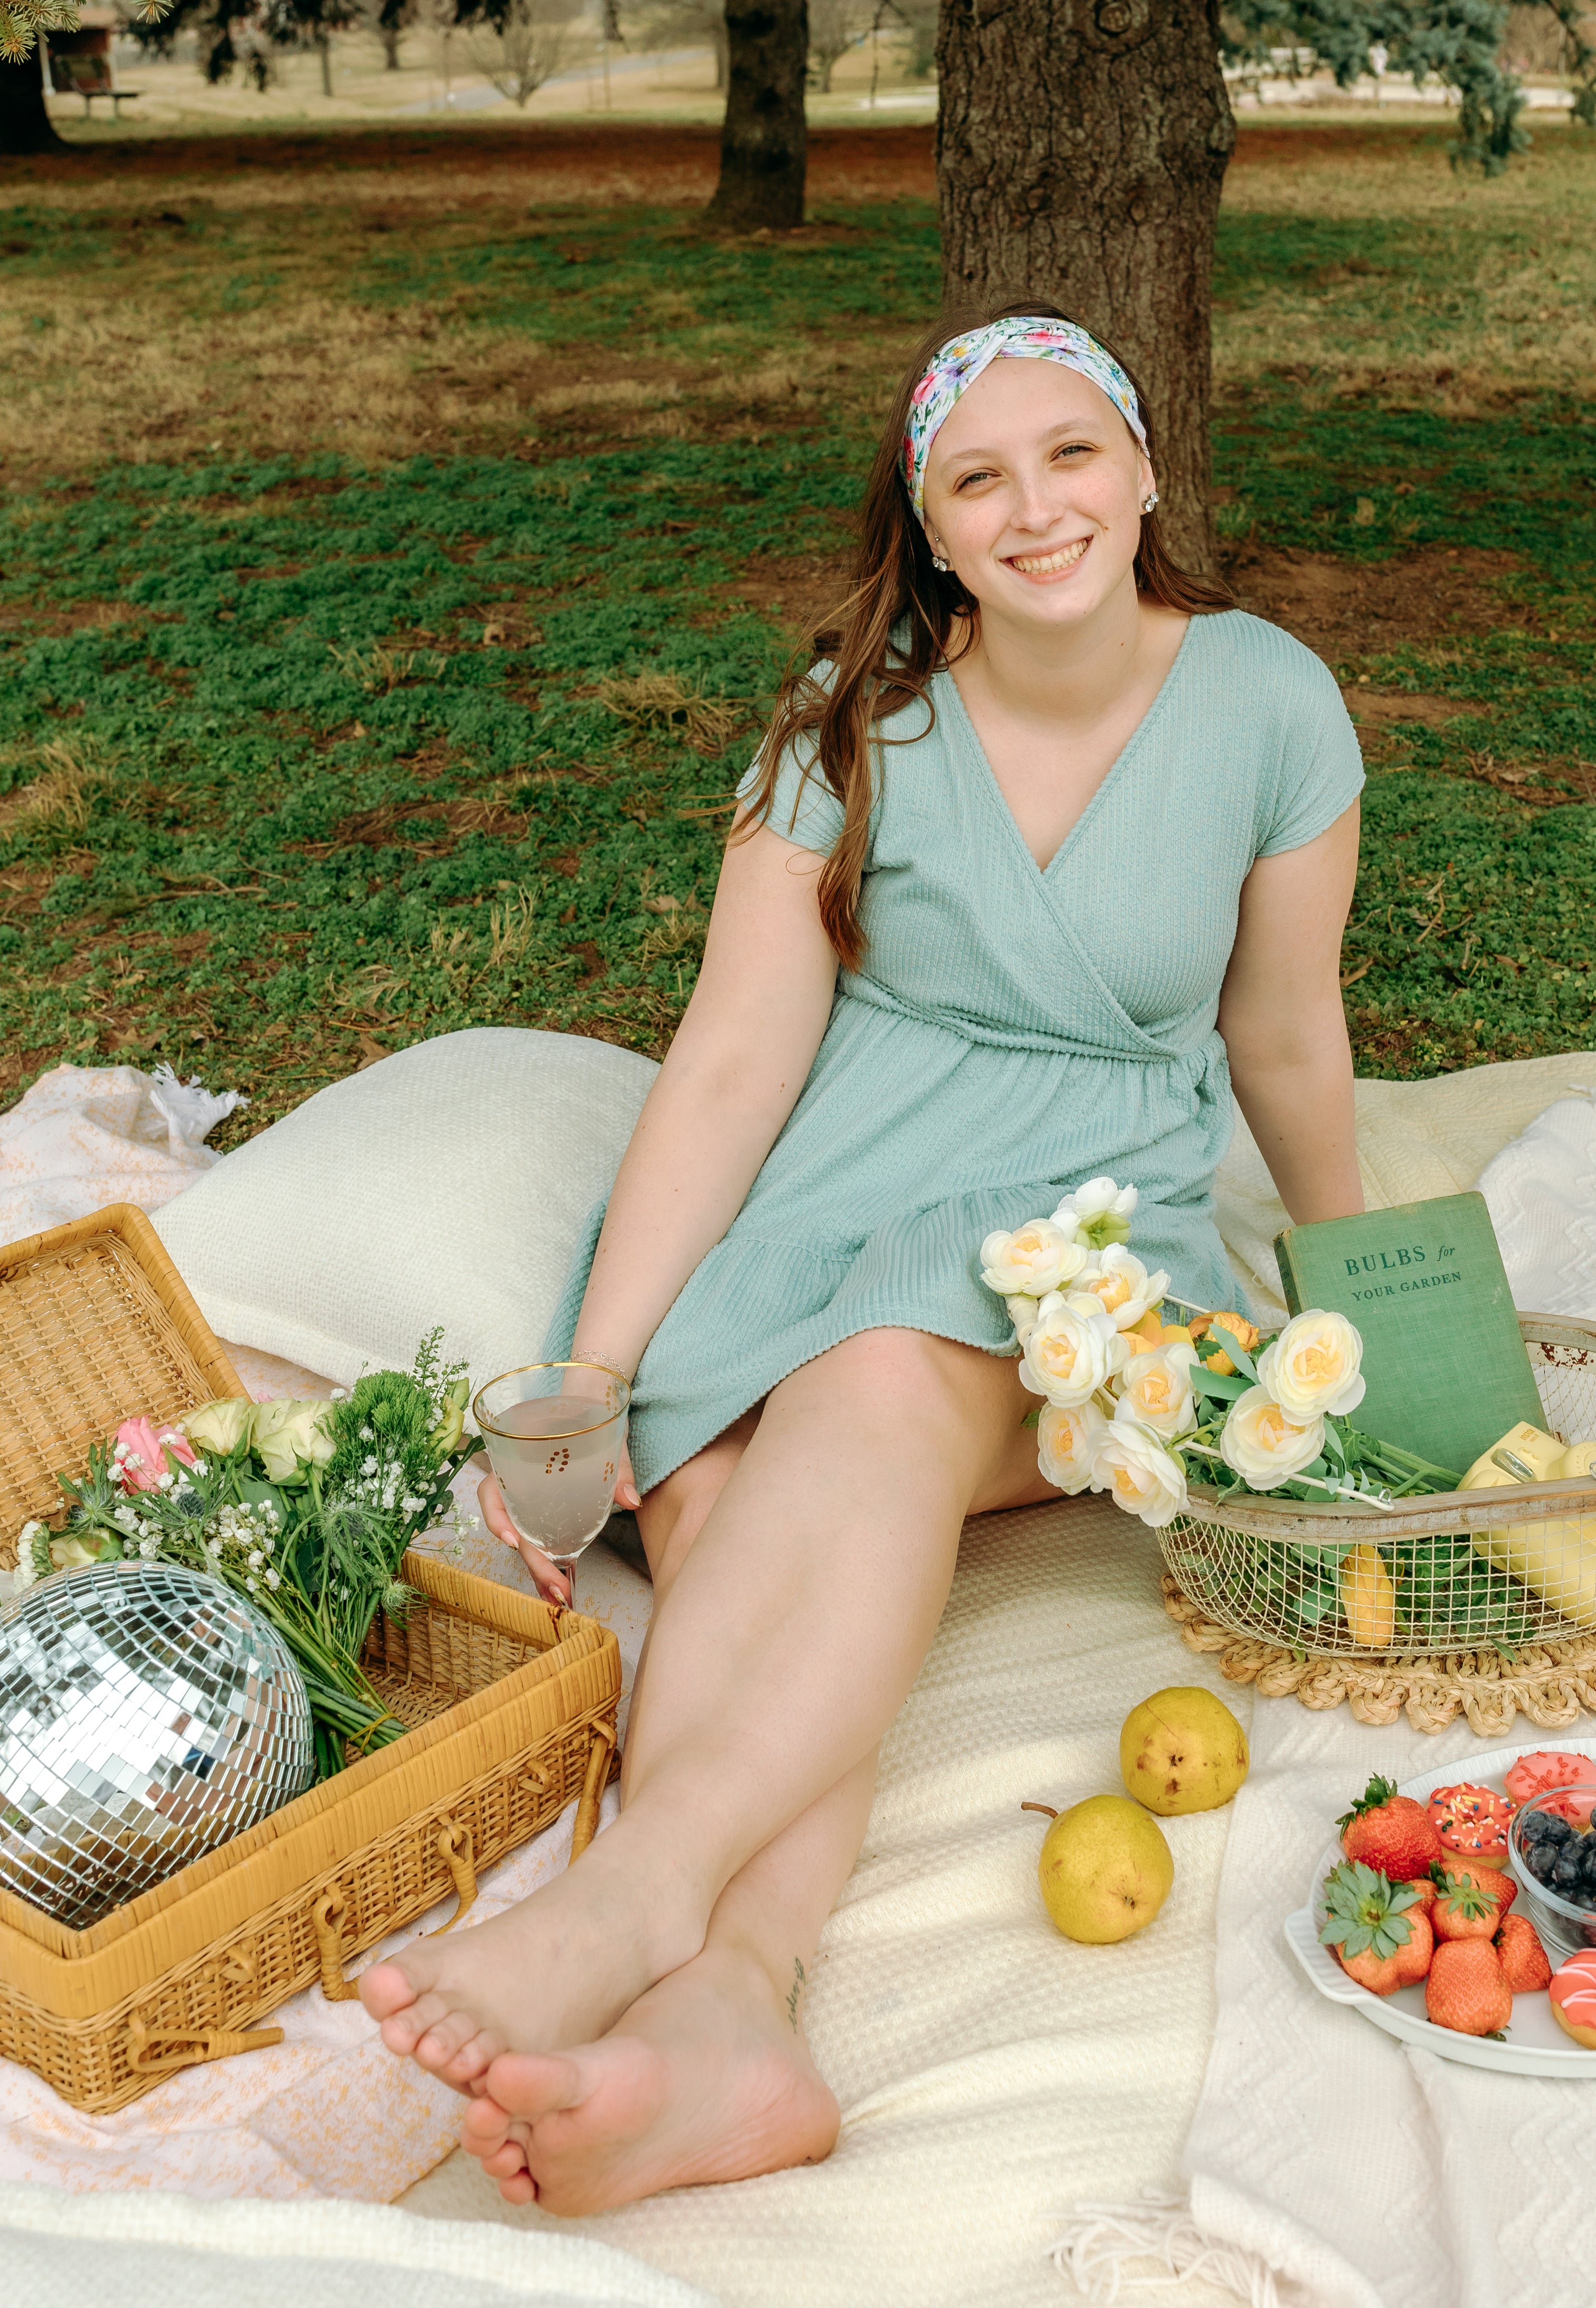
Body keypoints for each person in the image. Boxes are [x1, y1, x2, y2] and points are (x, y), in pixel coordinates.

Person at [359, 305, 1366, 2214]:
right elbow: (735, 1061)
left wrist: (1385, 1294)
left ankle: (633, 1897)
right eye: (978, 476)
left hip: (1076, 1226)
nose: (1038, 505)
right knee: (733, 1489)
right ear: (929, 519)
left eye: (1074, 453)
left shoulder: (1264, 700)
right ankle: (740, 2008)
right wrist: (598, 1364)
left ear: (1147, 469)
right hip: (826, 1193)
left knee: (895, 1367)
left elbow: (1291, 1040)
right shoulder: (861, 720)